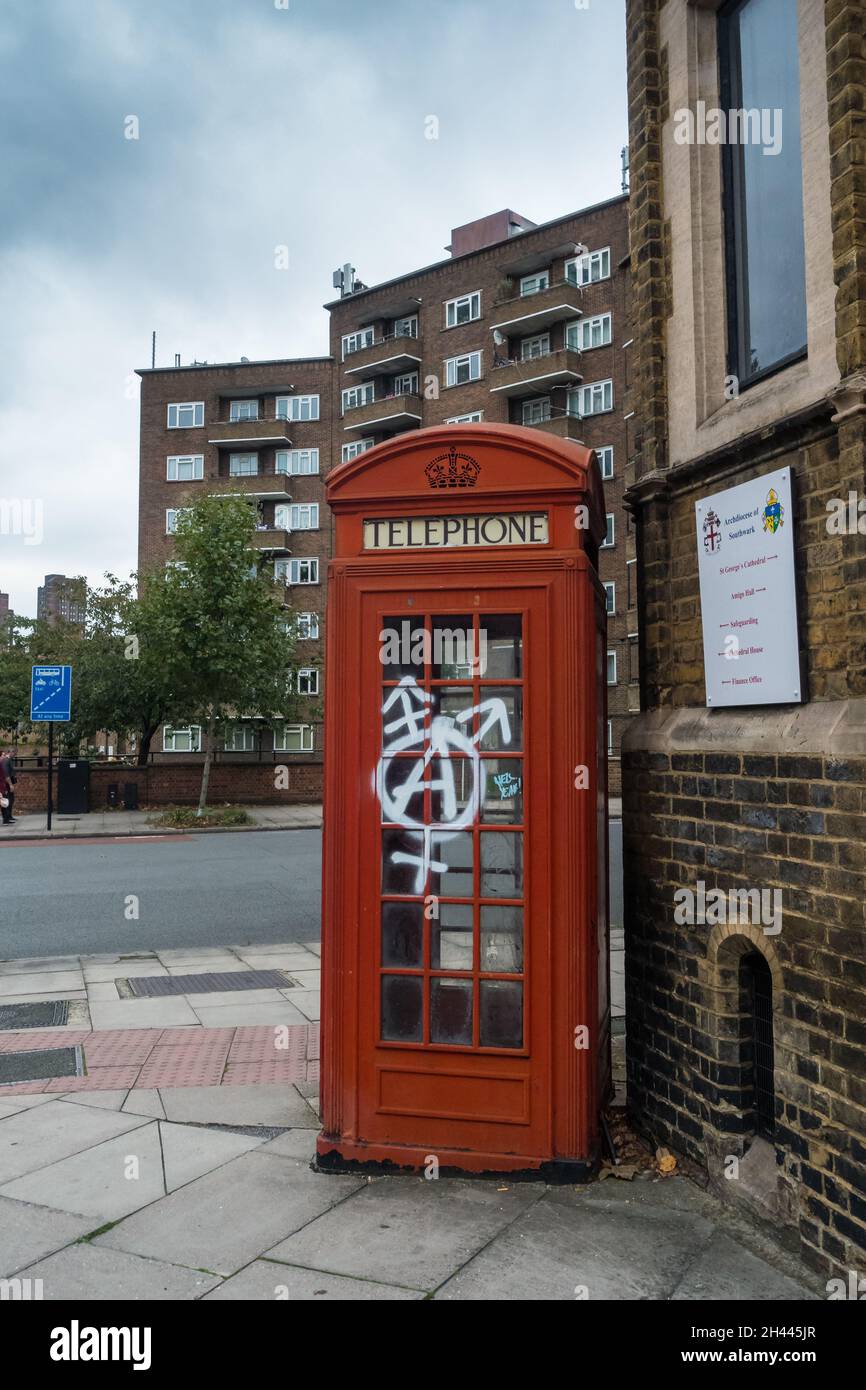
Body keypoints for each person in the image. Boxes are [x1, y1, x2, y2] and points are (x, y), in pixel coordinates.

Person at [0, 749, 17, 825]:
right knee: (6, 801)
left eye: (4, 755)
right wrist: (10, 784)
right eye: (3, 755)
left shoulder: (2, 763)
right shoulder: (4, 763)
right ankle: (6, 819)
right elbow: (6, 775)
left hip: (3, 785)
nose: (4, 756)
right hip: (2, 786)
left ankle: (7, 818)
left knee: (6, 801)